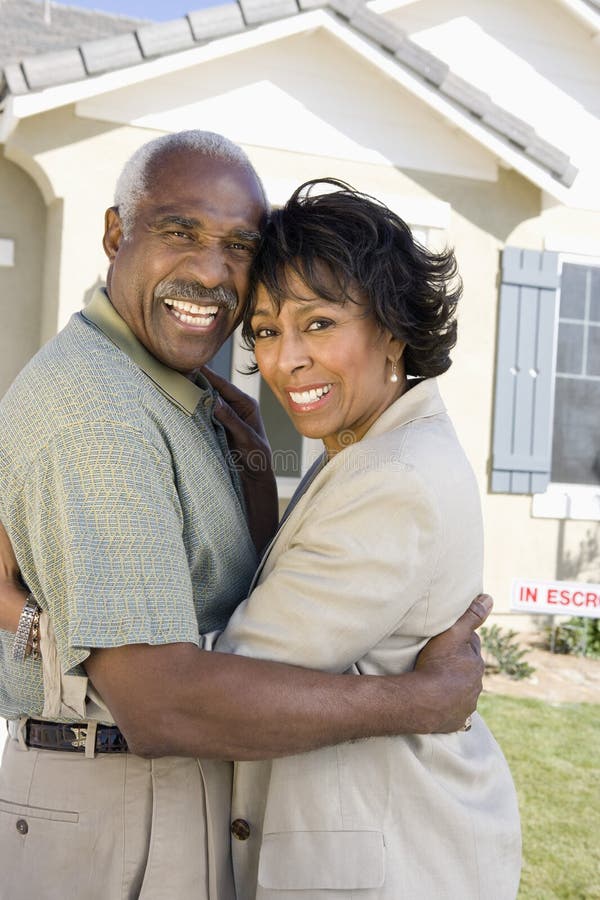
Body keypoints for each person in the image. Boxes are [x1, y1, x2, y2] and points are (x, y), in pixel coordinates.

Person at [0, 131, 489, 900]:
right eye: (180, 231)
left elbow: (239, 622)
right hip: (112, 802)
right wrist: (419, 702)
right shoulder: (101, 416)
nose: (210, 269)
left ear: (391, 328)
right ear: (114, 235)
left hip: (188, 802)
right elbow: (163, 696)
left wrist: (255, 479)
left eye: (238, 244)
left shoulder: (190, 401)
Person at [210, 179, 522, 898]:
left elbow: (228, 686)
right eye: (264, 329)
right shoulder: (372, 445)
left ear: (392, 327)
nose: (285, 361)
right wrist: (260, 480)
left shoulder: (394, 478)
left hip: (388, 865)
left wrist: (49, 615)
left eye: (317, 324)